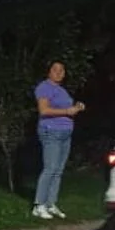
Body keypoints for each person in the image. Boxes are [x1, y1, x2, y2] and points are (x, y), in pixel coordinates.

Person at [32, 60, 84, 219]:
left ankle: (50, 203)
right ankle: (39, 205)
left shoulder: (61, 90)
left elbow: (67, 108)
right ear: (49, 71)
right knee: (50, 168)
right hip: (51, 132)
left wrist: (77, 107)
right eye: (55, 69)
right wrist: (68, 111)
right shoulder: (44, 87)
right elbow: (44, 110)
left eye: (62, 70)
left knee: (58, 170)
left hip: (65, 133)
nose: (59, 73)